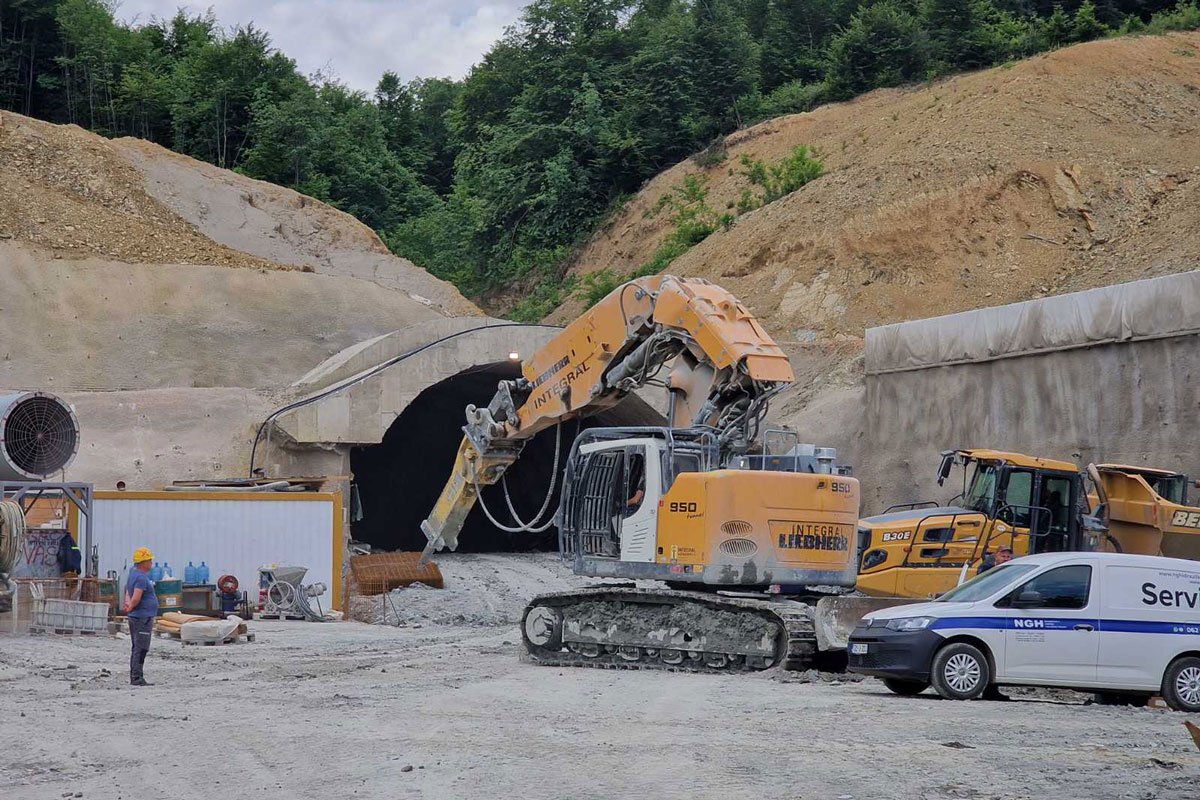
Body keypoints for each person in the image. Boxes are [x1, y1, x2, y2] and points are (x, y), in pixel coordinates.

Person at [124, 547, 159, 687]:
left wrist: (128, 604)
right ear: (144, 562)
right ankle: (137, 678)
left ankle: (136, 676)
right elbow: (137, 597)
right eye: (149, 560)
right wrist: (131, 606)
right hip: (142, 617)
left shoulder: (133, 573)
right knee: (141, 647)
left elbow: (128, 591)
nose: (151, 563)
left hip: (138, 616)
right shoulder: (140, 577)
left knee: (136, 646)